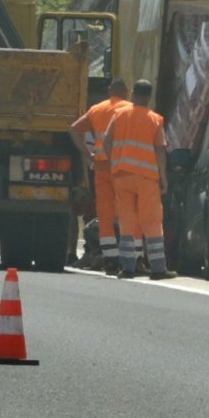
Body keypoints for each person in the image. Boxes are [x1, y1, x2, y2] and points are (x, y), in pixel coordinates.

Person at [103, 79, 176, 280]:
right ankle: (158, 269)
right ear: (149, 96)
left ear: (133, 93)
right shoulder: (154, 119)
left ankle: (127, 268)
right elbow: (160, 150)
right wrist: (163, 177)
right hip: (146, 177)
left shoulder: (119, 114)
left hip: (122, 176)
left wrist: (114, 163)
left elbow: (106, 142)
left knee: (126, 221)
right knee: (151, 222)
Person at [69, 78, 131, 275]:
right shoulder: (131, 110)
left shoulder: (97, 109)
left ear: (109, 91)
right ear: (127, 92)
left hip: (101, 167)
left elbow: (73, 130)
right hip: (124, 167)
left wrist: (88, 155)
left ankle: (110, 260)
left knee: (104, 214)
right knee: (127, 212)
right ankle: (130, 258)